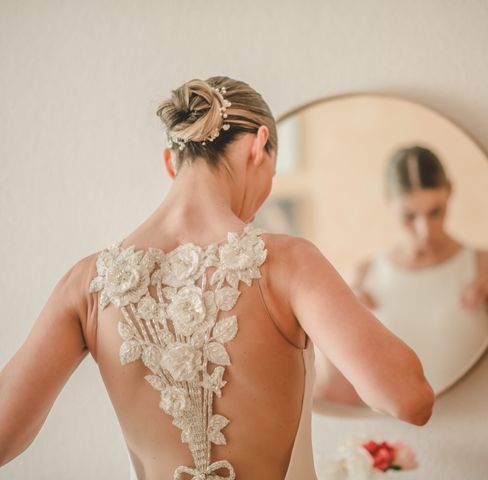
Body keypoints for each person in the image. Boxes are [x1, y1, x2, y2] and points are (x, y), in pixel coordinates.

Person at [0, 76, 434, 480]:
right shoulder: (288, 264)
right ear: (259, 146)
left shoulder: (89, 283)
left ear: (171, 161)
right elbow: (409, 399)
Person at [315, 145, 488, 403]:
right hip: (393, 434)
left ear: (449, 192)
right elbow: (333, 391)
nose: (425, 230)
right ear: (389, 202)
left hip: (479, 420)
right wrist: (337, 327)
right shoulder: (364, 277)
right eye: (409, 216)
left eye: (435, 212)